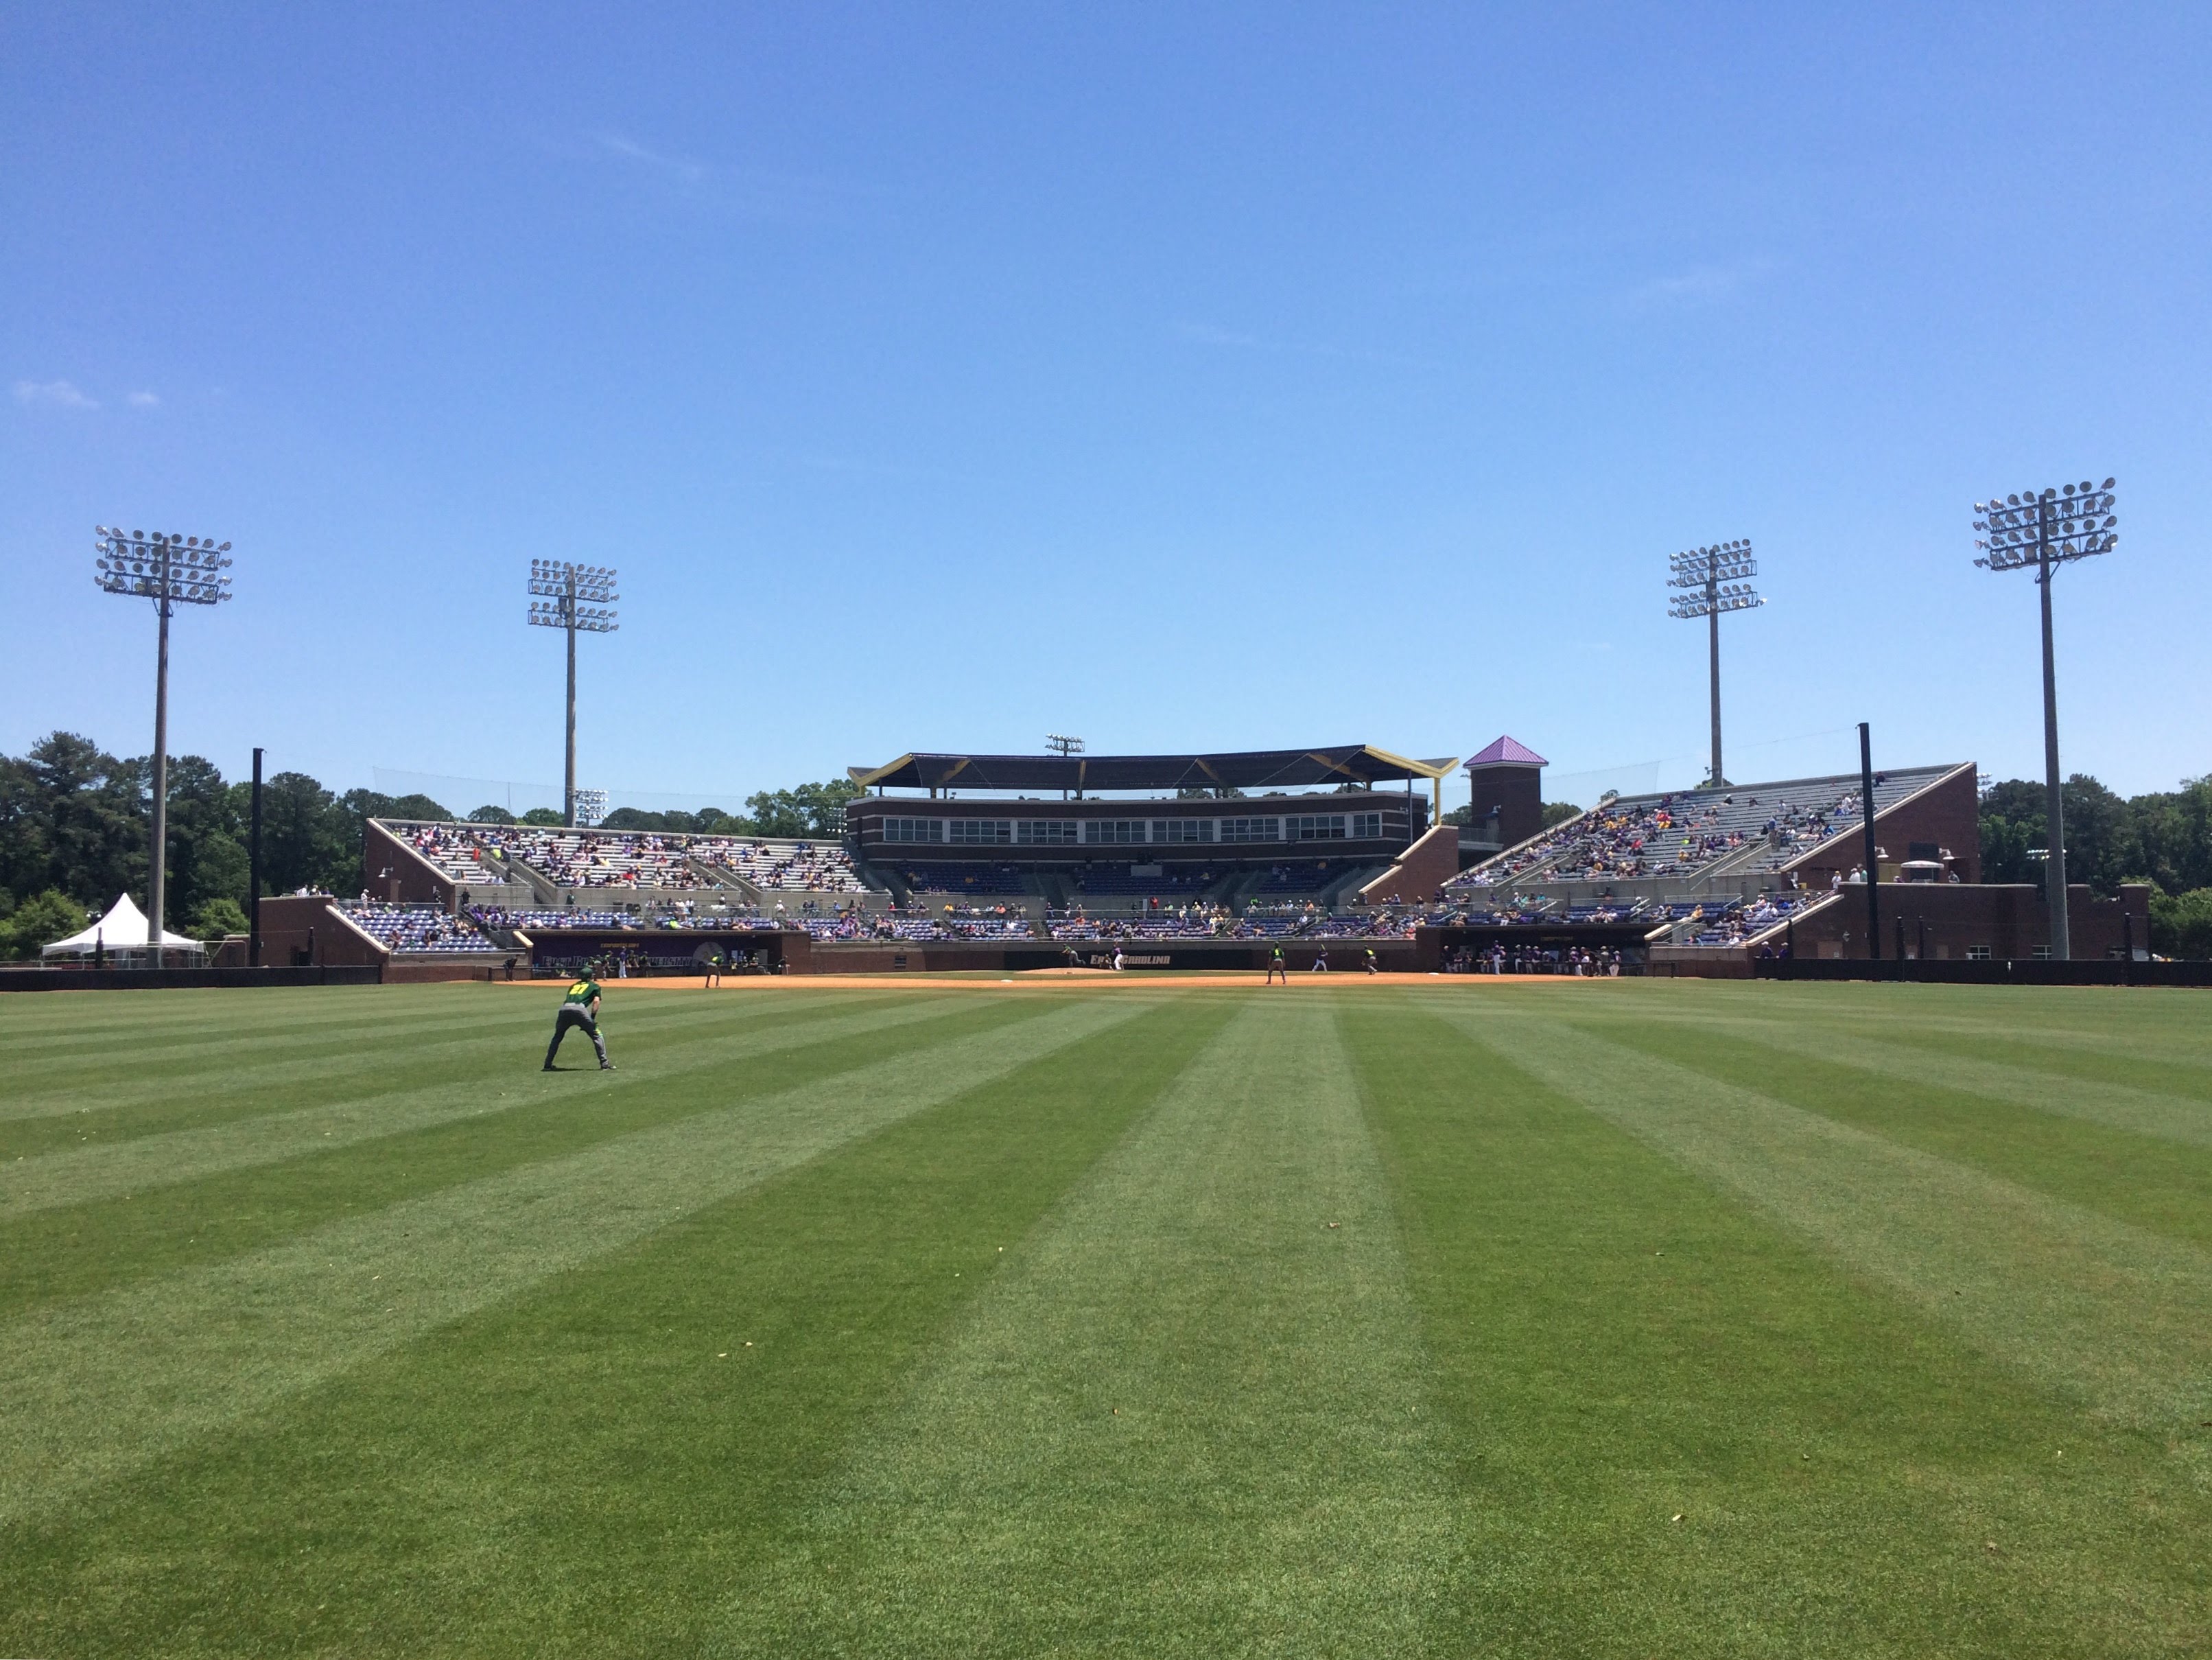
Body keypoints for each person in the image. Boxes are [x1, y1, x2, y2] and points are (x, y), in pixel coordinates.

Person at [544, 972, 615, 1071]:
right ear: (591, 976)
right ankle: (605, 1064)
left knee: (557, 1037)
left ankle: (548, 1064)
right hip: (579, 1009)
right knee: (596, 1035)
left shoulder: (574, 986)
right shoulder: (594, 986)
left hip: (564, 1008)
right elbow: (596, 1001)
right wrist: (592, 1018)